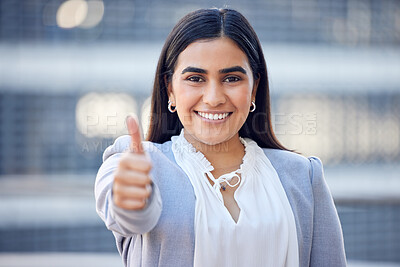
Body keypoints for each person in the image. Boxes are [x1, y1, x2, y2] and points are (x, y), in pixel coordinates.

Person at [95, 8, 346, 267]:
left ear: (254, 88)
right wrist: (132, 197)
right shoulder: (136, 161)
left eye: (231, 78)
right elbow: (128, 214)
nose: (214, 98)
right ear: (169, 88)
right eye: (195, 78)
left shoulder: (303, 176)